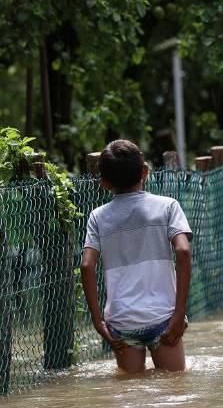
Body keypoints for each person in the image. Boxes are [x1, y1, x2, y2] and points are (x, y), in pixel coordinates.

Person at [81, 140, 192, 374]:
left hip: (122, 321)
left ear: (104, 183)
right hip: (163, 316)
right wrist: (179, 313)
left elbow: (87, 266)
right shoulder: (168, 207)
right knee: (175, 387)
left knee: (129, 394)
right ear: (144, 171)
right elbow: (183, 251)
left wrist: (98, 321)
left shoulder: (98, 217)